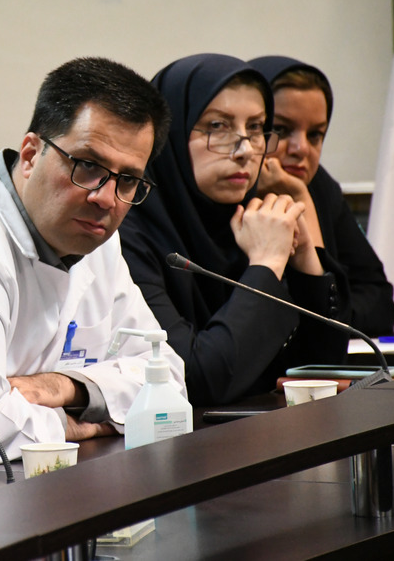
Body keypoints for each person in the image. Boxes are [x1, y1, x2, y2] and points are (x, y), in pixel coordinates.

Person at [0, 57, 187, 466]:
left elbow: (168, 382)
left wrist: (66, 388)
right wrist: (79, 424)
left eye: (128, 180)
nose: (105, 198)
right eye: (88, 166)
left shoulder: (97, 239)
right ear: (30, 154)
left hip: (49, 475)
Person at [118, 53, 350, 406]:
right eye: (217, 126)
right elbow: (193, 380)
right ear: (169, 136)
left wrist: (306, 262)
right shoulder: (126, 235)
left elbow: (319, 371)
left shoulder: (254, 220)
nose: (244, 150)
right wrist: (267, 264)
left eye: (255, 128)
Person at [248, 55, 394, 337]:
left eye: (315, 134)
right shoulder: (224, 197)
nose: (301, 148)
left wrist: (301, 196)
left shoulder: (320, 188)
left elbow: (379, 303)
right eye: (281, 129)